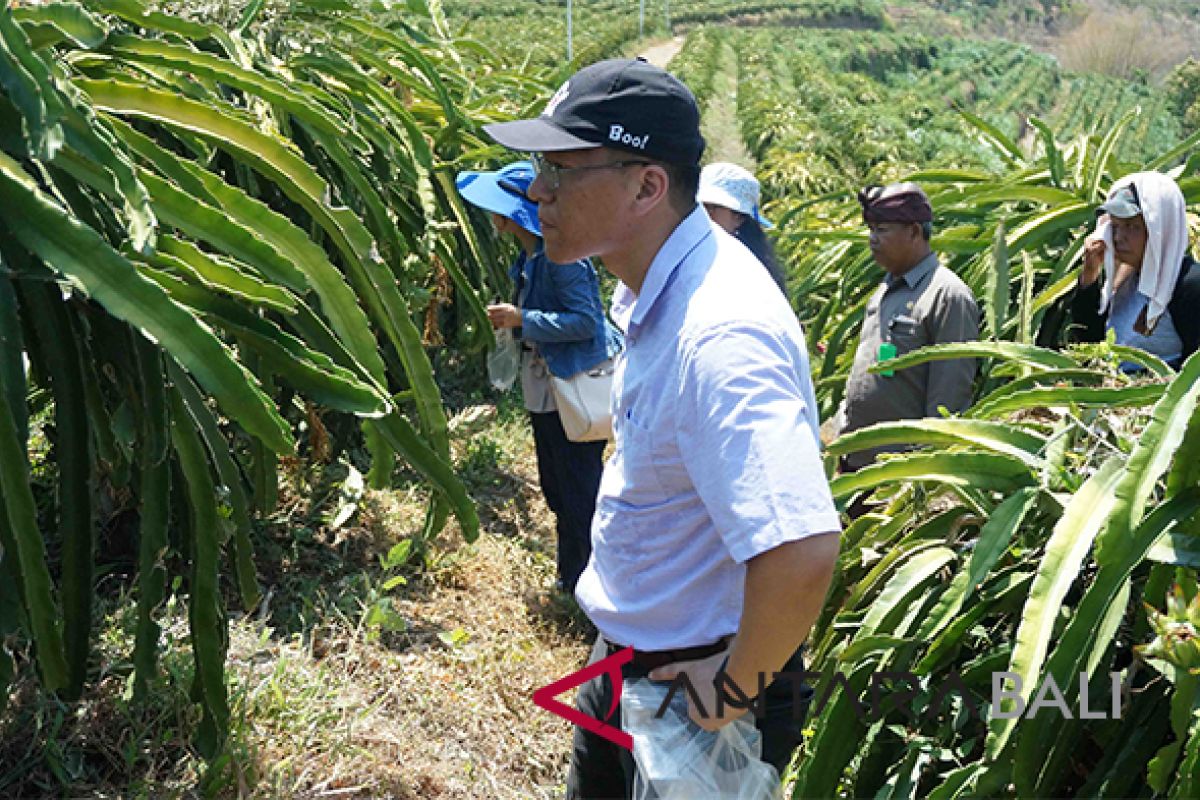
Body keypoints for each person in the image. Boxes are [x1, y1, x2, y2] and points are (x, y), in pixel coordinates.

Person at [484, 58, 840, 798]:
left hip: (696, 690)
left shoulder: (719, 334)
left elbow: (802, 549)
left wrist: (734, 688)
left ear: (647, 186)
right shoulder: (654, 294)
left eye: (560, 169)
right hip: (631, 664)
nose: (537, 191)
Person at [455, 161, 622, 595]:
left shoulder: (561, 258)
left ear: (514, 212)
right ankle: (573, 574)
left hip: (572, 381)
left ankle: (593, 582)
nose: (493, 216)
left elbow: (587, 321)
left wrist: (522, 318)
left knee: (578, 484)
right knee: (555, 482)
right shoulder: (529, 257)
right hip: (547, 382)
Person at [833, 182, 981, 472]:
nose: (872, 239)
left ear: (914, 231)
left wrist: (922, 482)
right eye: (871, 229)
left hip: (898, 477)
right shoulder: (886, 289)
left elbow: (947, 403)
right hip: (857, 465)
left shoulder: (946, 295)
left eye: (882, 229)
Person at [1068, 171, 1200, 369]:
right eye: (1115, 225)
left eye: (1132, 226)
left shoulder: (1189, 285)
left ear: (1160, 230)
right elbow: (1090, 344)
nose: (1119, 237)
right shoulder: (1125, 279)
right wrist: (1089, 276)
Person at [696, 162, 787, 291]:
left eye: (712, 208)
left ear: (739, 217)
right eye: (699, 206)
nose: (703, 213)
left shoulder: (746, 272)